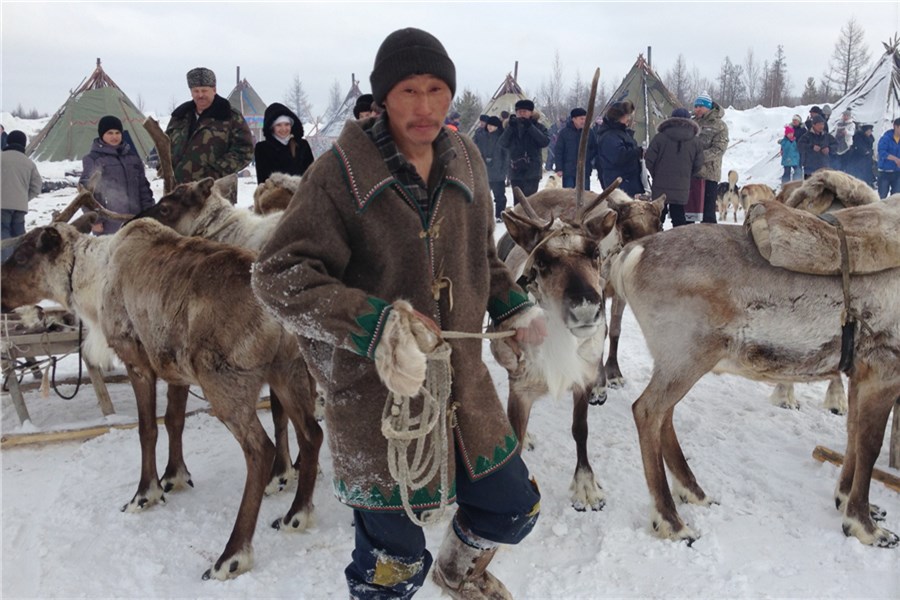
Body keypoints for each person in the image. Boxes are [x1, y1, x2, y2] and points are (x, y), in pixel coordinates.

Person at [251, 27, 545, 600]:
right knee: (392, 565)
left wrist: (515, 306)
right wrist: (376, 324)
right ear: (383, 96)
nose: (425, 106)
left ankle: (458, 572)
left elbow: (481, 254)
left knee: (515, 508)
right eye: (409, 90)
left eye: (437, 89)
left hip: (465, 388)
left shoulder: (465, 158)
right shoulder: (338, 173)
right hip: (377, 399)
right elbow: (276, 276)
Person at [165, 67, 253, 196]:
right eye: (196, 91)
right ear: (191, 92)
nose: (200, 95)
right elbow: (164, 144)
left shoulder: (229, 116)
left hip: (216, 193)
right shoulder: (179, 116)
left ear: (214, 90)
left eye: (204, 90)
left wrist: (215, 172)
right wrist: (165, 165)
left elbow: (245, 151)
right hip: (179, 193)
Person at [79, 116, 154, 235]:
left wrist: (149, 212)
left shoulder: (133, 158)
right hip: (109, 224)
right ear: (102, 134)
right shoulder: (94, 159)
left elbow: (143, 188)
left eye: (117, 133)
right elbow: (86, 194)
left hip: (136, 220)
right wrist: (95, 220)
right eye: (110, 133)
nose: (114, 137)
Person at [644, 108, 704, 227]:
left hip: (660, 184)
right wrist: (687, 175)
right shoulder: (695, 141)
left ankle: (653, 240)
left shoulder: (660, 138)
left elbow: (649, 159)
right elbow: (699, 164)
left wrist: (656, 174)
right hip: (682, 184)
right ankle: (678, 241)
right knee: (678, 214)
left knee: (657, 214)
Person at [1, 130, 42, 260]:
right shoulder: (29, 163)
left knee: (4, 233)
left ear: (8, 141)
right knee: (19, 235)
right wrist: (24, 198)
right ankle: (24, 262)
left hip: (1, 205)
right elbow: (36, 187)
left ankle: (6, 264)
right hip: (20, 207)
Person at [499, 98, 550, 197]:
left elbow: (544, 142)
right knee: (518, 202)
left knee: (530, 200)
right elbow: (502, 143)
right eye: (519, 112)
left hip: (532, 170)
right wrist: (510, 128)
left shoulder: (539, 127)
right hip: (516, 170)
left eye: (524, 112)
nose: (522, 114)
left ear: (530, 113)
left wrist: (530, 127)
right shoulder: (511, 126)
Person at [691, 92, 728, 223]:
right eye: (696, 106)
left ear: (708, 107)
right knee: (690, 211)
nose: (697, 109)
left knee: (708, 213)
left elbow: (719, 149)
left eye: (701, 106)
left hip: (709, 174)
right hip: (691, 173)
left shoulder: (719, 125)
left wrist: (698, 157)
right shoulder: (691, 122)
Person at [254, 103, 314, 184]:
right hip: (275, 195)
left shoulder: (302, 145)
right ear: (272, 127)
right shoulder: (262, 148)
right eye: (278, 125)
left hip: (301, 194)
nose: (283, 129)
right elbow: (262, 181)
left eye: (287, 124)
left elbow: (311, 175)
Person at [595, 100, 644, 197]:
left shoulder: (621, 132)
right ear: (618, 117)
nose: (629, 119)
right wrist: (638, 152)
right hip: (619, 183)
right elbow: (618, 156)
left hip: (627, 182)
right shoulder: (609, 136)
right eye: (627, 116)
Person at [553, 107, 597, 190]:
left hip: (584, 171)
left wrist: (587, 158)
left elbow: (594, 148)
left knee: (585, 196)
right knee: (569, 197)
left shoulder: (589, 132)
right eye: (581, 119)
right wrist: (559, 168)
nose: (584, 121)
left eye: (585, 119)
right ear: (574, 119)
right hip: (568, 171)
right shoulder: (564, 133)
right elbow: (558, 151)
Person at [476, 115, 509, 221]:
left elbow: (506, 155)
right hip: (484, 170)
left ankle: (499, 214)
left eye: (493, 125)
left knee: (499, 195)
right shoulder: (482, 136)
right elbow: (477, 151)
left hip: (498, 170)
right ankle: (483, 215)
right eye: (489, 125)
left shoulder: (502, 137)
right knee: (483, 195)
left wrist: (504, 169)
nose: (490, 127)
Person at [844, 123, 876, 187]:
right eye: (868, 131)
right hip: (858, 158)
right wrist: (864, 151)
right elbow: (858, 145)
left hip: (867, 159)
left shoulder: (870, 138)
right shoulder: (858, 136)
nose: (869, 133)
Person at [876, 117, 900, 198]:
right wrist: (895, 159)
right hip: (885, 172)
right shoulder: (885, 138)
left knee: (896, 196)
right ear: (895, 126)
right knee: (882, 196)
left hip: (897, 172)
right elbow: (882, 152)